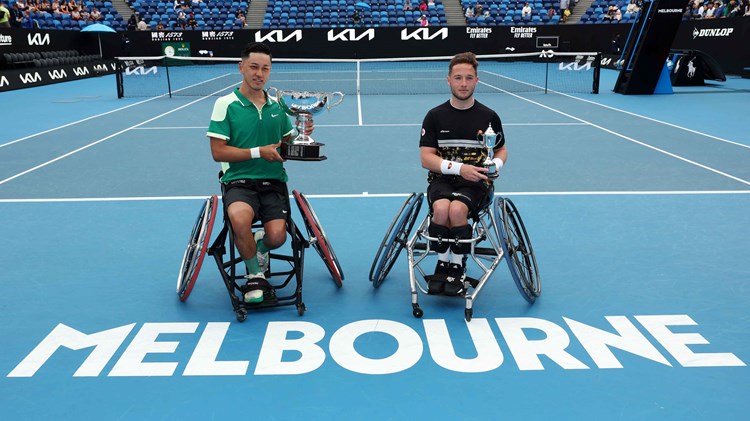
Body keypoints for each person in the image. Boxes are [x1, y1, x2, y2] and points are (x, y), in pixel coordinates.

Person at [206, 42, 314, 304]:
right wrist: (258, 152)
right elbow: (218, 152)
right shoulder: (225, 104)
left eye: (265, 68)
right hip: (239, 182)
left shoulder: (279, 106)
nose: (259, 73)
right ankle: (255, 275)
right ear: (241, 67)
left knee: (277, 237)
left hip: (273, 182)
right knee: (239, 219)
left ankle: (260, 247)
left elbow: (288, 142)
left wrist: (303, 133)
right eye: (254, 67)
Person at [419, 52, 507, 296]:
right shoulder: (435, 115)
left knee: (457, 210)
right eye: (458, 78)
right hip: (442, 180)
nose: (463, 83)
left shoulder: (489, 117)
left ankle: (456, 266)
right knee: (441, 209)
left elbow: (500, 149)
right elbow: (427, 158)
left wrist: (495, 167)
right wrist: (460, 169)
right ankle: (443, 262)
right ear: (448, 80)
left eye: (469, 78)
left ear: (477, 80)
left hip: (477, 183)